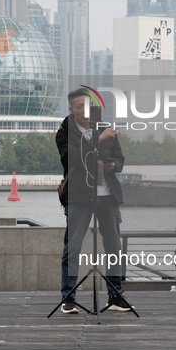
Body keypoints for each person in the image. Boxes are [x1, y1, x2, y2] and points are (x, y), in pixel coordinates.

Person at [55, 88, 132, 314]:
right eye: (78, 107)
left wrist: (113, 166)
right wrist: (98, 139)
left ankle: (115, 295)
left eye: (87, 106)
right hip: (79, 196)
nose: (83, 111)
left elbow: (120, 159)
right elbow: (71, 158)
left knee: (114, 247)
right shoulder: (64, 132)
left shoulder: (104, 127)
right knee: (73, 247)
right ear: (71, 109)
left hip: (107, 195)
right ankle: (68, 298)